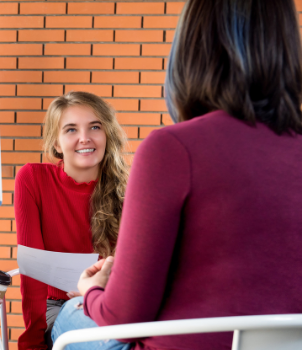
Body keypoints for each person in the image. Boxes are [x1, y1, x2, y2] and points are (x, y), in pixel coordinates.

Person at [51, 0, 302, 349]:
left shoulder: (172, 149)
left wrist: (91, 290)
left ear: (192, 48)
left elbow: (123, 319)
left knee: (67, 319)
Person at [15, 91, 129, 349]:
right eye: (70, 130)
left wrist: (98, 291)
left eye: (95, 127)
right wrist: (32, 342)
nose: (84, 138)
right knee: (113, 341)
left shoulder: (129, 190)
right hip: (60, 307)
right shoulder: (32, 179)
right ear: (56, 143)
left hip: (115, 301)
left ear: (107, 134)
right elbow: (33, 272)